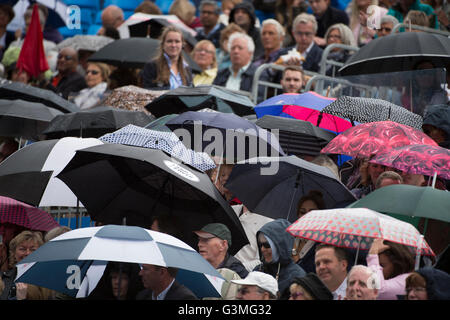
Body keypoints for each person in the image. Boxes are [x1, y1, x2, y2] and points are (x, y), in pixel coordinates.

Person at [254, 219, 306, 300]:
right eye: (260, 244)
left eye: (267, 245)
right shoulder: (258, 270)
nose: (262, 249)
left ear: (280, 245)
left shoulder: (297, 277)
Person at [0, 230, 51, 300]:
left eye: (33, 249)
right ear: (14, 253)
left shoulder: (47, 281)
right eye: (22, 249)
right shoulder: (3, 278)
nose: (27, 253)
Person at [233, 204, 274, 272]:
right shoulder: (231, 209)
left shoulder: (269, 223)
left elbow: (261, 261)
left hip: (242, 275)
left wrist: (234, 268)